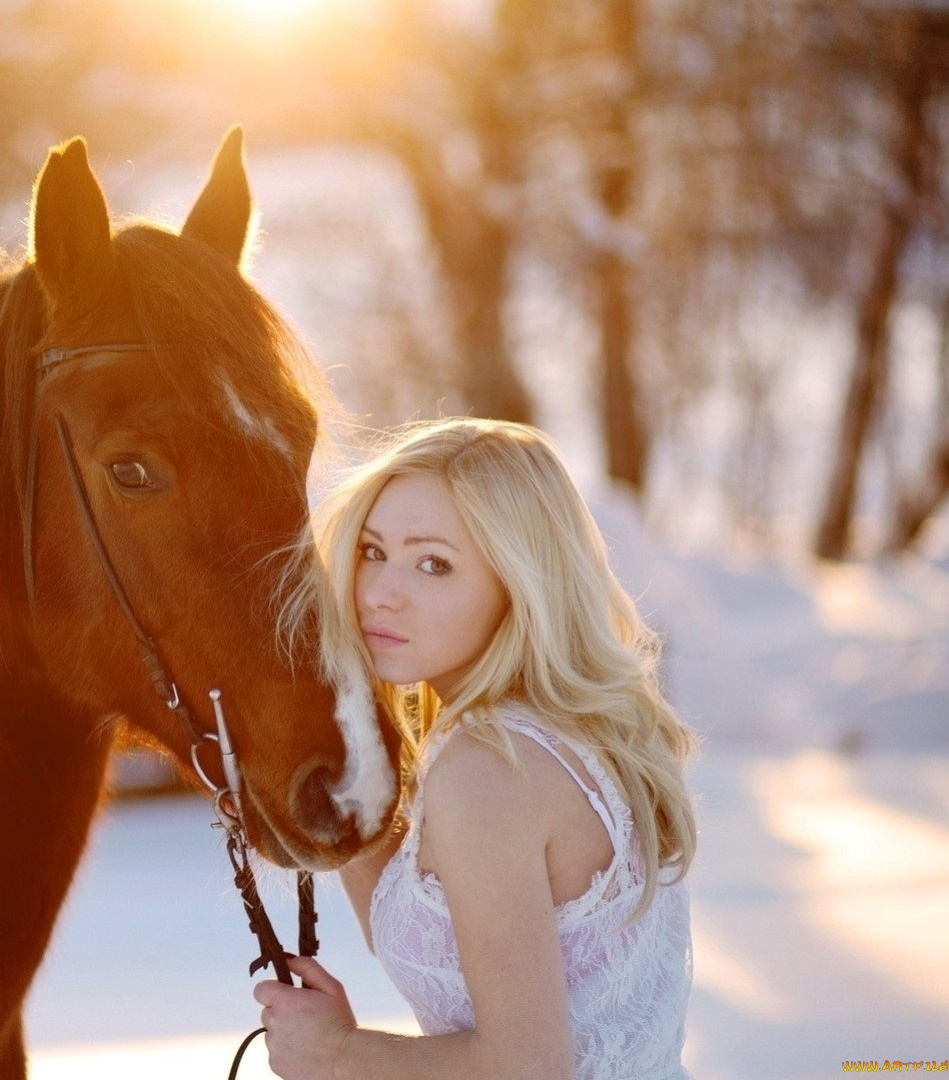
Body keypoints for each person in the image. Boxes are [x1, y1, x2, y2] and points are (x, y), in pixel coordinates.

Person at [254, 417, 697, 1080]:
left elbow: (526, 1068)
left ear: (520, 582)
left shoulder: (488, 769)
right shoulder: (564, 733)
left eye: (434, 563)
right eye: (373, 550)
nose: (380, 593)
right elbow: (447, 947)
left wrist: (340, 1055)